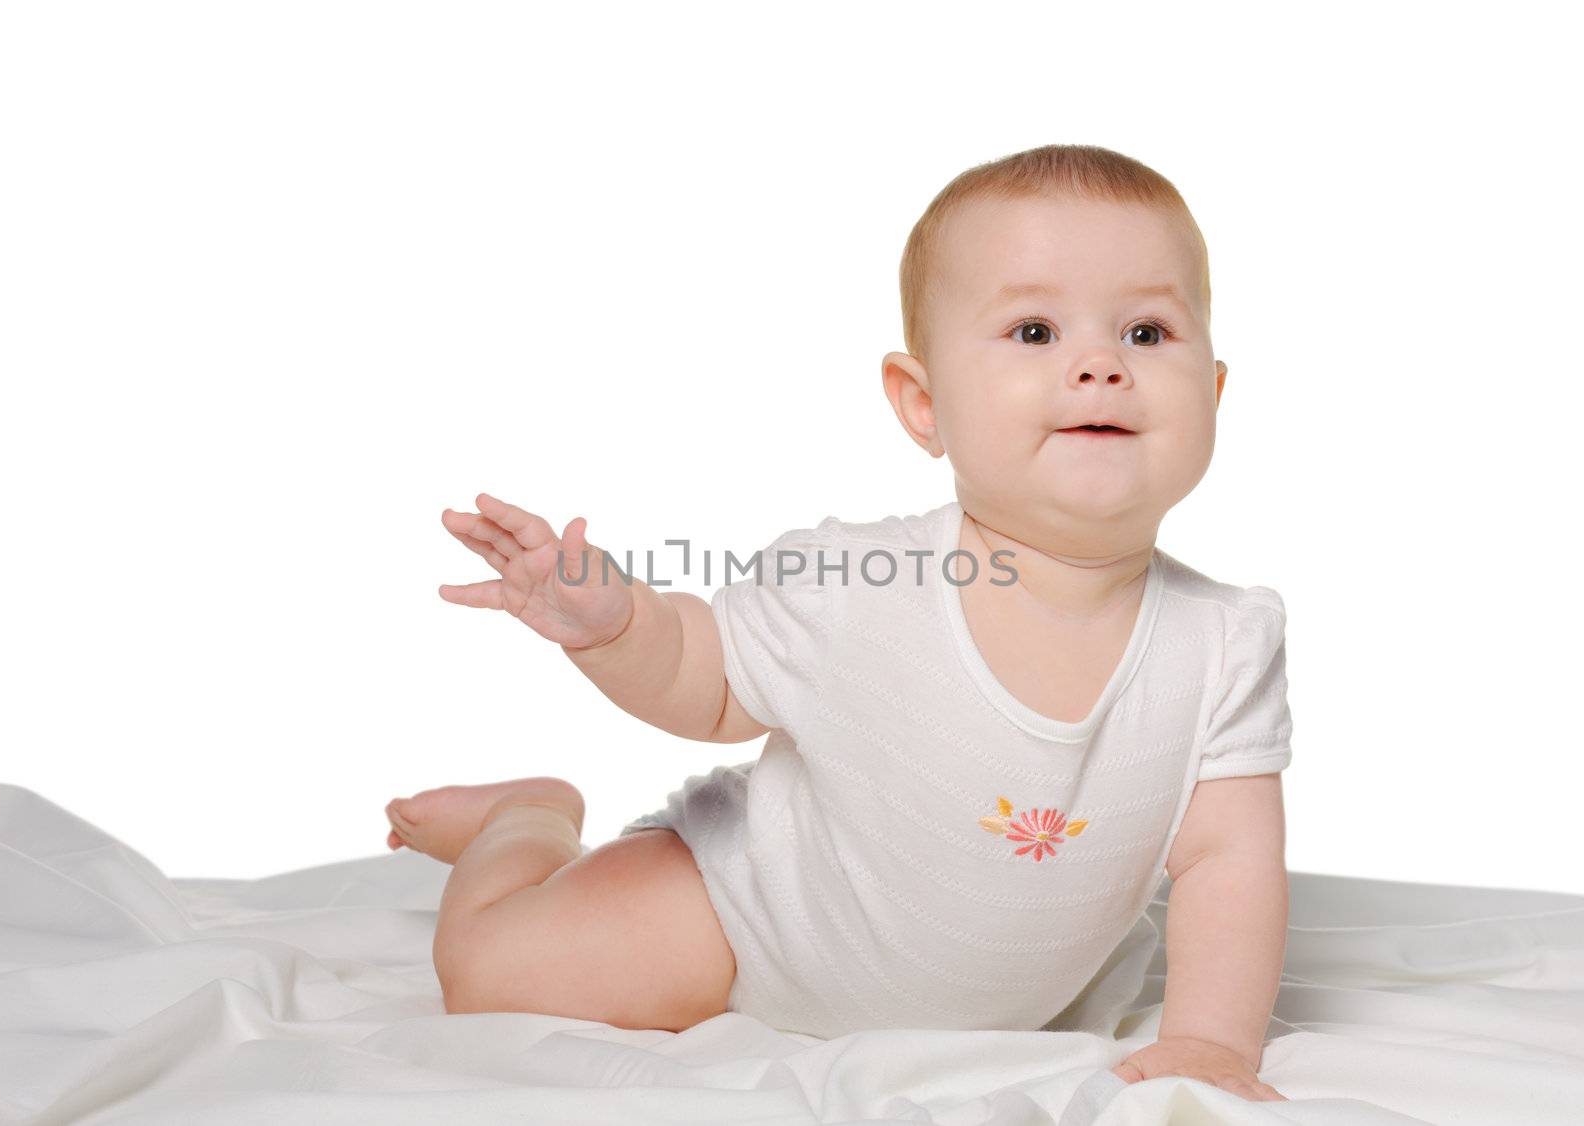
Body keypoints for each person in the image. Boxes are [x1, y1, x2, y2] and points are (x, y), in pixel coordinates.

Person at [385, 143, 1293, 1103]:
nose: (1101, 366)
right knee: (490, 978)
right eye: (1034, 331)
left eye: (1148, 333)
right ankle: (527, 817)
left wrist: (1210, 1041)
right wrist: (617, 628)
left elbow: (1229, 862)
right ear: (923, 404)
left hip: (1013, 993)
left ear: (1217, 395)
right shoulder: (857, 582)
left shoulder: (1223, 644)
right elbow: (708, 676)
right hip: (746, 918)